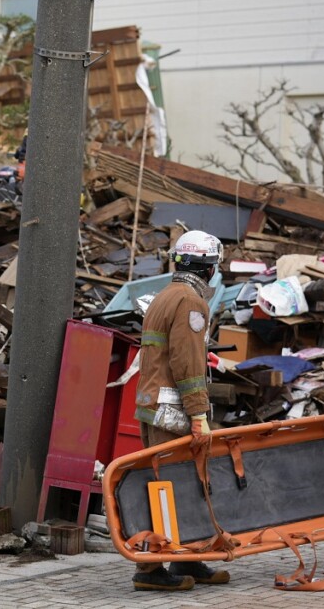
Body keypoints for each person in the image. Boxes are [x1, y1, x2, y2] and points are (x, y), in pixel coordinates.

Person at [131, 230, 231, 592]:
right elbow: (187, 364)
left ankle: (187, 558)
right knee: (172, 489)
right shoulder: (191, 303)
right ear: (208, 269)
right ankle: (151, 569)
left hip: (152, 407)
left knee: (170, 486)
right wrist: (199, 414)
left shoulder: (162, 296)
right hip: (172, 412)